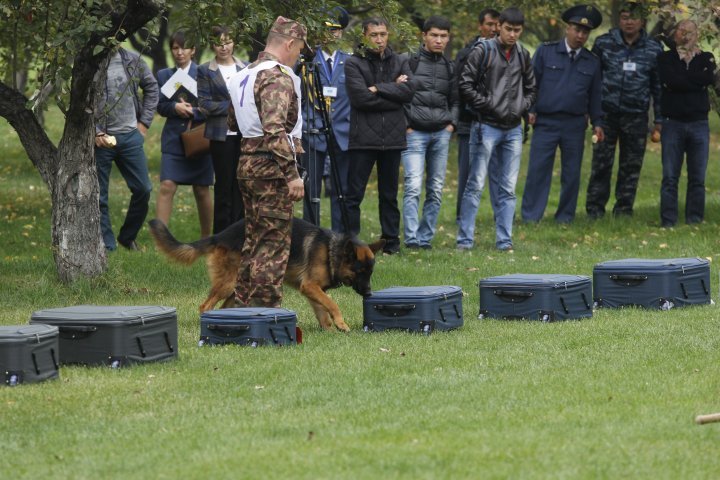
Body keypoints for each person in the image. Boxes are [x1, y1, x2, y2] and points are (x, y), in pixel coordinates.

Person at [228, 16, 306, 308]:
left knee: (253, 238)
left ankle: (242, 304)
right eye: (298, 49)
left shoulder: (242, 74)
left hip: (247, 161)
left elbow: (232, 121)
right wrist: (291, 174)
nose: (298, 55)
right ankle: (265, 311)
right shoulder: (276, 76)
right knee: (273, 243)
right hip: (270, 168)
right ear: (289, 43)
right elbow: (274, 129)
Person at [457, 7, 536, 251]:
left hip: (513, 129)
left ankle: (504, 240)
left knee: (508, 188)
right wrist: (489, 105)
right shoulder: (483, 51)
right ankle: (464, 241)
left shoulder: (523, 54)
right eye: (508, 29)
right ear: (498, 26)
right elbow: (465, 85)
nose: (513, 34)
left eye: (517, 30)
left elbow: (532, 88)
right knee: (475, 185)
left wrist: (522, 106)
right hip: (485, 126)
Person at [520, 5, 604, 224]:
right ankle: (531, 216)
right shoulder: (546, 51)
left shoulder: (592, 61)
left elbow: (595, 94)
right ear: (567, 28)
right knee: (538, 171)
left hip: (574, 124)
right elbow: (531, 84)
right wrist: (530, 109)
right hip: (546, 121)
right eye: (576, 30)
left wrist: (598, 122)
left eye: (585, 32)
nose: (580, 35)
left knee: (571, 174)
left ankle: (565, 217)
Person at [585, 1, 663, 219]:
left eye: (634, 18)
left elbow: (658, 87)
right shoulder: (603, 43)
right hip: (606, 115)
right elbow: (592, 80)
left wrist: (659, 119)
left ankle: (624, 210)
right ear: (620, 20)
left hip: (636, 117)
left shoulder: (653, 48)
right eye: (625, 17)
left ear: (642, 21)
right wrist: (591, 114)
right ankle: (594, 211)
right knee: (601, 165)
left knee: (631, 167)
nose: (629, 22)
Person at [344, 17, 414, 254]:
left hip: (393, 138)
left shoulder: (401, 60)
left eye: (383, 34)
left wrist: (378, 88)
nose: (379, 39)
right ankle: (351, 244)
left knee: (389, 195)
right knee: (354, 195)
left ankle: (391, 243)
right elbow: (360, 99)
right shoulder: (353, 63)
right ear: (365, 35)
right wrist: (393, 89)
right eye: (374, 34)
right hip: (363, 138)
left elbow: (408, 92)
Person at [401, 15, 459, 249]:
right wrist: (407, 124)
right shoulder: (409, 61)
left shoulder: (450, 66)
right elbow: (401, 94)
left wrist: (451, 124)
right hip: (414, 133)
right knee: (413, 185)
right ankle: (412, 238)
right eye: (434, 35)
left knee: (435, 188)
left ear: (448, 38)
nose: (438, 40)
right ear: (424, 36)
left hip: (441, 133)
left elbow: (456, 99)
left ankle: (426, 238)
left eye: (443, 36)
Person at [94, 46, 158, 251]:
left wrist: (144, 124)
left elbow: (152, 88)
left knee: (143, 189)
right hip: (101, 139)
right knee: (99, 196)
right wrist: (95, 132)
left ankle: (127, 237)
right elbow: (79, 101)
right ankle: (108, 246)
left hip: (131, 136)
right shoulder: (91, 62)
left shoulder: (132, 59)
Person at [298, 7, 352, 232]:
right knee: (311, 190)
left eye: (336, 30)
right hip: (313, 131)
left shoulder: (349, 61)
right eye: (327, 30)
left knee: (341, 190)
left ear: (341, 32)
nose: (332, 35)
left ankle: (340, 237)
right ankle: (311, 236)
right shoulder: (307, 61)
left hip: (342, 133)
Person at [657, 20, 715, 227]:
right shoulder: (665, 58)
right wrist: (695, 81)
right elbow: (672, 81)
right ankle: (668, 220)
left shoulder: (707, 58)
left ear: (697, 35)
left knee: (697, 178)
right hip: (673, 124)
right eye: (682, 31)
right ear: (675, 35)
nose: (686, 36)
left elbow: (707, 78)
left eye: (691, 32)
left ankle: (694, 220)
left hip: (699, 124)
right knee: (670, 177)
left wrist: (687, 80)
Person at [155, 31, 214, 238]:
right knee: (167, 185)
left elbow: (214, 106)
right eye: (175, 48)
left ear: (193, 50)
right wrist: (174, 108)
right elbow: (160, 106)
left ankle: (207, 239)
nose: (180, 53)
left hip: (199, 139)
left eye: (184, 48)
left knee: (201, 189)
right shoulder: (164, 75)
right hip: (173, 139)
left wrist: (194, 111)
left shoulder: (205, 73)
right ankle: (161, 240)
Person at [197, 26, 245, 234]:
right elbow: (205, 105)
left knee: (241, 186)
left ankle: (238, 232)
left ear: (234, 43)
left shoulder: (246, 68)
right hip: (220, 135)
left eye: (228, 42)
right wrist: (233, 106)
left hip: (244, 134)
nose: (224, 47)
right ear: (212, 45)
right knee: (224, 186)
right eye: (219, 43)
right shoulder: (205, 70)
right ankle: (220, 236)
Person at [454, 8, 500, 223]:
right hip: (469, 121)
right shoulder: (466, 53)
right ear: (480, 25)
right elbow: (459, 89)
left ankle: (501, 217)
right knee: (467, 172)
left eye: (497, 24)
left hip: (498, 122)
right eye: (490, 24)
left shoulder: (507, 52)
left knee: (498, 174)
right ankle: (462, 215)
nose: (494, 29)